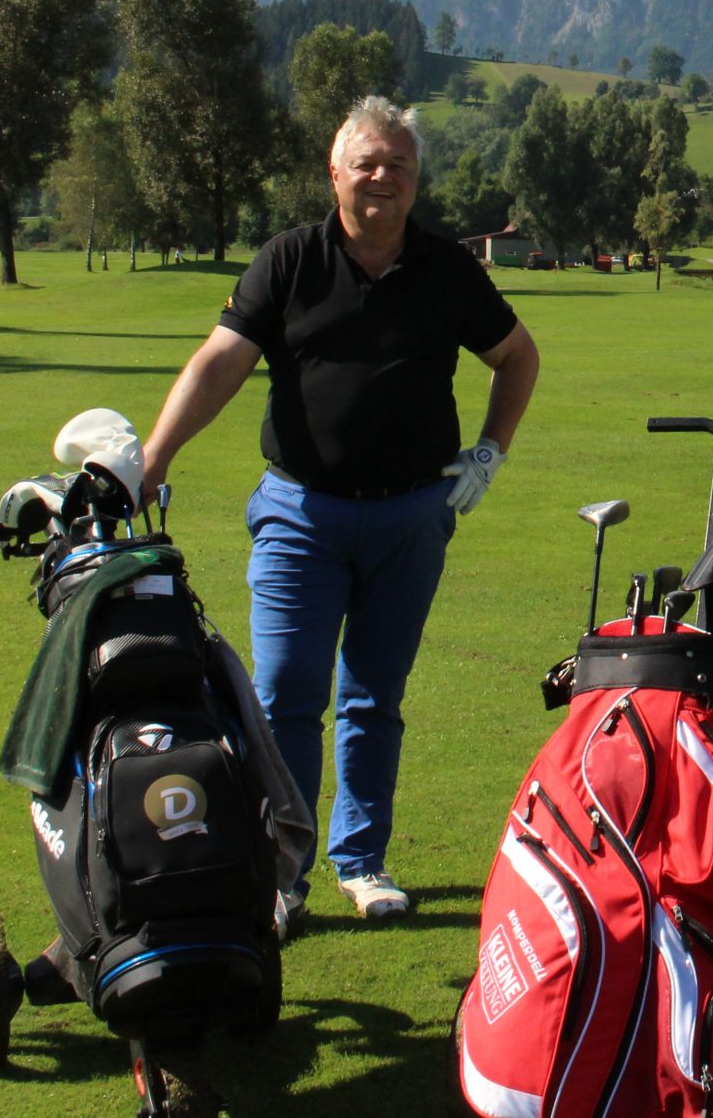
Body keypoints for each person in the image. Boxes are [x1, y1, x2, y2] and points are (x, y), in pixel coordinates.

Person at [142, 96, 540, 928]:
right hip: (301, 515)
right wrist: (155, 456)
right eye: (367, 162)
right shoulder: (290, 260)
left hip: (411, 518)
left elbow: (516, 354)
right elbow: (220, 361)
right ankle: (280, 873)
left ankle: (361, 860)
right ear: (335, 172)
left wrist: (490, 450)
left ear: (416, 179)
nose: (383, 176)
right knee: (285, 694)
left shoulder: (446, 268)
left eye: (399, 164)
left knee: (373, 696)